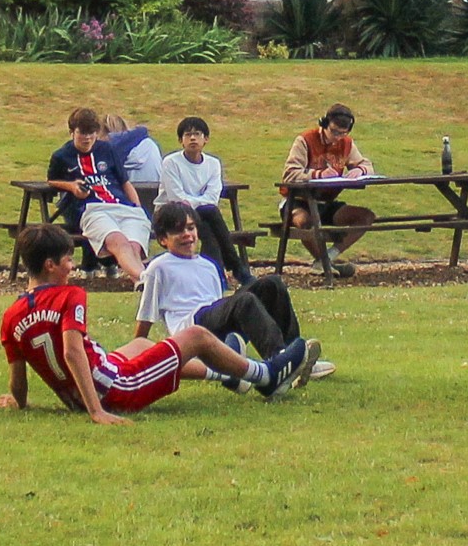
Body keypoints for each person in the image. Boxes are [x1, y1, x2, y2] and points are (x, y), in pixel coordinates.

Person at [0, 223, 185, 425]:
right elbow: (72, 352)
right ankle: (224, 373)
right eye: (68, 260)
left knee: (140, 345)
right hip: (112, 391)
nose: (73, 266)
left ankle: (215, 373)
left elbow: (18, 381)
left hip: (76, 399)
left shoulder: (11, 315)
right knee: (197, 336)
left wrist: (18, 401)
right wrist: (96, 411)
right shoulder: (69, 295)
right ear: (50, 265)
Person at [133, 201, 317, 392]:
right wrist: (136, 355)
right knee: (244, 302)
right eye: (179, 231)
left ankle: (289, 354)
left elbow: (220, 306)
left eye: (191, 228)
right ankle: (279, 364)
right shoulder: (159, 267)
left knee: (272, 284)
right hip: (192, 327)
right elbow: (146, 315)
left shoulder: (208, 266)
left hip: (213, 318)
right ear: (163, 239)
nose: (187, 235)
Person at [48, 106, 154, 283]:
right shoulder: (62, 156)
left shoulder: (107, 150)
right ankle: (144, 280)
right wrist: (72, 186)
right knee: (118, 241)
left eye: (92, 133)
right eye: (82, 133)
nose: (88, 138)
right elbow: (52, 180)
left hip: (123, 206)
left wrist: (137, 207)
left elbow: (125, 182)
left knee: (134, 246)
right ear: (72, 132)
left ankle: (141, 282)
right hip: (93, 209)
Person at [281, 103, 376, 278]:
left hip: (326, 203)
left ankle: (326, 259)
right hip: (298, 201)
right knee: (306, 223)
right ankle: (326, 263)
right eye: (334, 132)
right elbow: (289, 174)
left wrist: (359, 170)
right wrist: (318, 174)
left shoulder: (346, 144)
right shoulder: (304, 141)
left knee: (366, 217)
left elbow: (366, 164)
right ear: (324, 125)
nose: (338, 137)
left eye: (343, 133)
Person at [151, 115, 248, 280]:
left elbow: (213, 197)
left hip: (203, 214)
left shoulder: (213, 164)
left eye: (197, 134)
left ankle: (217, 277)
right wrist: (200, 204)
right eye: (188, 135)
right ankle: (235, 267)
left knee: (209, 229)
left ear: (206, 139)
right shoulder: (171, 162)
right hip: (170, 213)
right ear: (181, 140)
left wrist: (196, 204)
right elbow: (177, 198)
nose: (193, 138)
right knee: (210, 214)